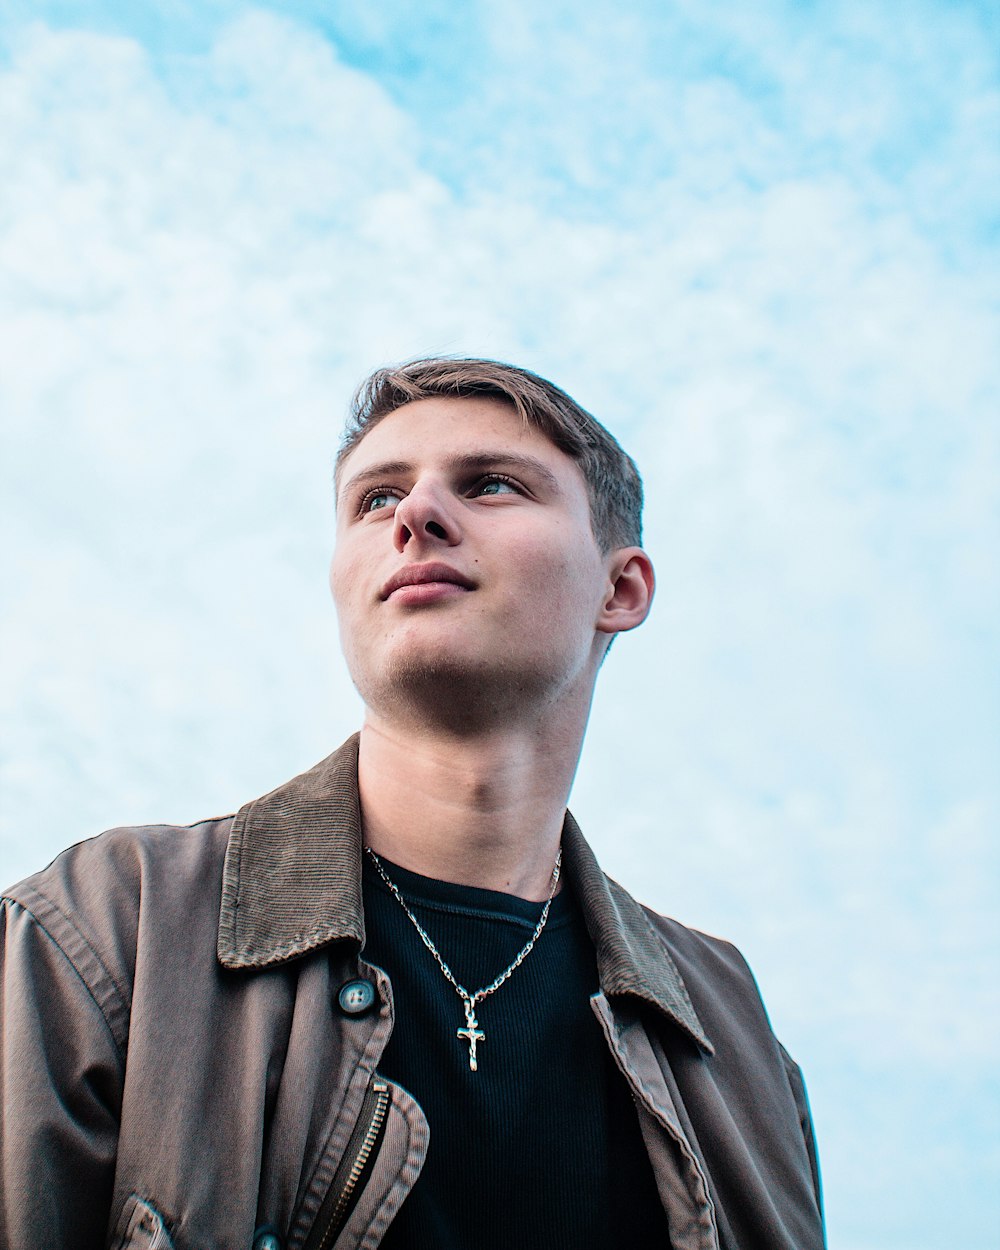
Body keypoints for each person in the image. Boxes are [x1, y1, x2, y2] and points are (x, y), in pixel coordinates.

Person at [0, 358, 825, 1249]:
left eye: (492, 485)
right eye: (374, 499)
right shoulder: (110, 925)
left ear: (619, 590)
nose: (415, 516)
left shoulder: (732, 1035)